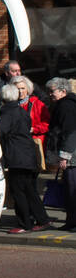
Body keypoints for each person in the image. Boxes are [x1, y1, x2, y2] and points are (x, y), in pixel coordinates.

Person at [0, 83, 51, 234]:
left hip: (16, 157)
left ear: (3, 97)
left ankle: (24, 223)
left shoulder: (7, 114)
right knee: (29, 190)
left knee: (18, 191)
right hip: (27, 155)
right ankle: (43, 219)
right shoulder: (21, 111)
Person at [46, 78, 76, 231]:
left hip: (72, 156)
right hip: (72, 154)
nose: (50, 94)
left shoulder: (66, 106)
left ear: (63, 91)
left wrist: (64, 156)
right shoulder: (68, 104)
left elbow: (70, 132)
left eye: (53, 91)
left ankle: (73, 222)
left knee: (72, 189)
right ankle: (71, 221)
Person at [15, 76, 50, 167]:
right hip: (17, 145)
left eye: (23, 88)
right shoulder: (10, 106)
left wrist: (33, 129)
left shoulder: (38, 104)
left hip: (34, 144)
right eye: (17, 89)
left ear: (28, 89)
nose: (20, 91)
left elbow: (47, 124)